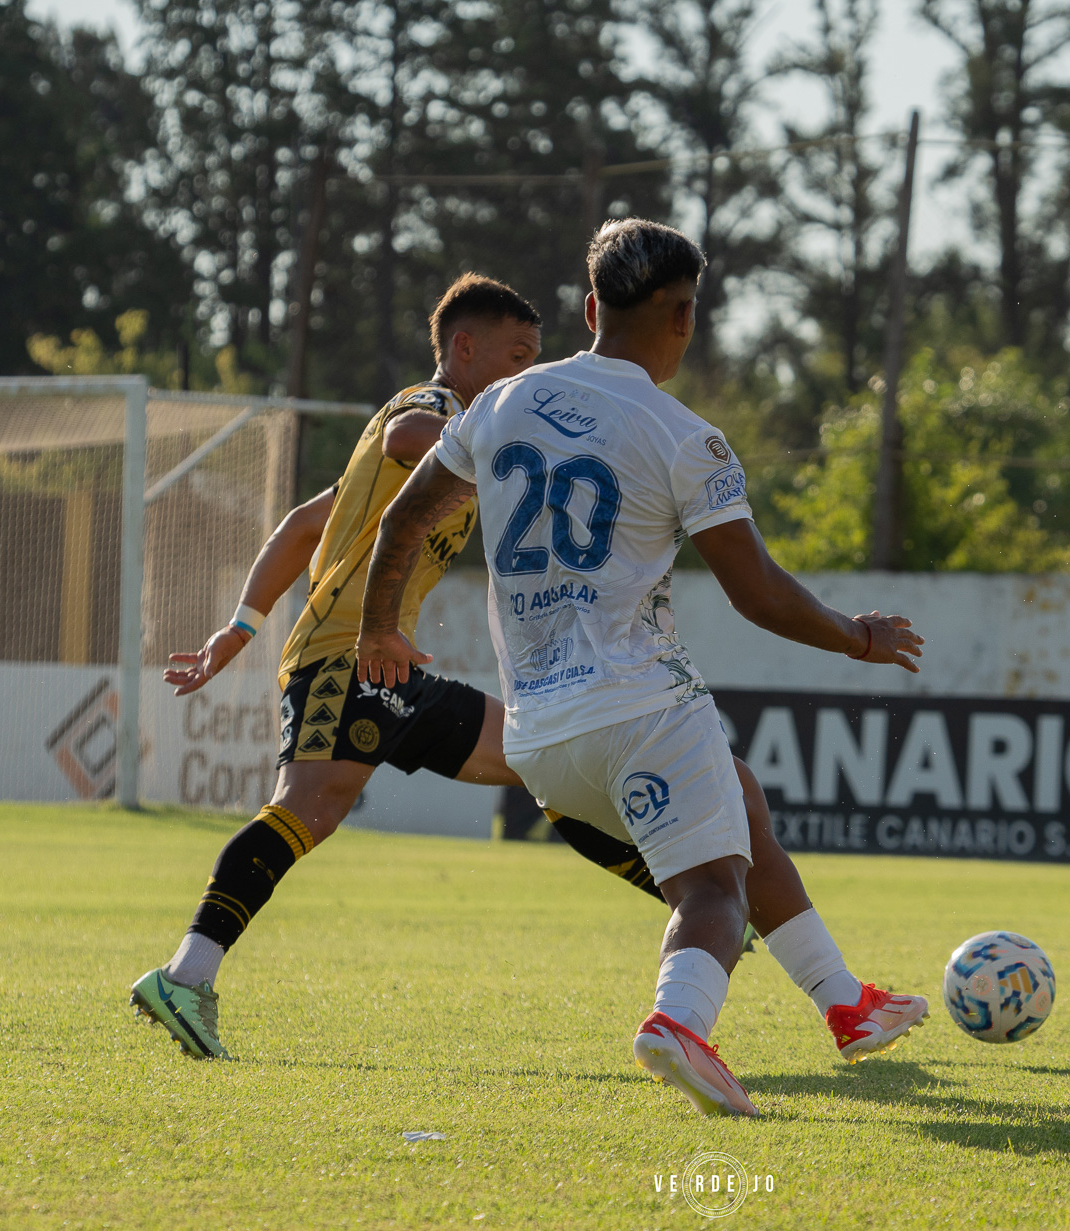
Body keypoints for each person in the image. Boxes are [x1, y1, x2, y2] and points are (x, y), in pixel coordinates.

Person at [128, 273, 914, 1072]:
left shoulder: (484, 440)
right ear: (462, 349)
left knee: (542, 758)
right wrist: (501, 423)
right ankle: (186, 974)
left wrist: (239, 627)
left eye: (534, 357)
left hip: (399, 667)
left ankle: (698, 894)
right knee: (311, 807)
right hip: (350, 651)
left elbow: (303, 525)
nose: (523, 373)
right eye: (514, 356)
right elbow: (409, 431)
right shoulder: (439, 414)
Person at [356, 220, 929, 1117]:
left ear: (590, 309)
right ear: (683, 317)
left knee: (739, 801)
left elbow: (400, 522)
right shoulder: (685, 436)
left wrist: (379, 629)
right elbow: (761, 594)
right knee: (712, 887)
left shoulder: (499, 405)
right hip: (643, 708)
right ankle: (679, 1022)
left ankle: (846, 1003)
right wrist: (857, 637)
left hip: (541, 739)